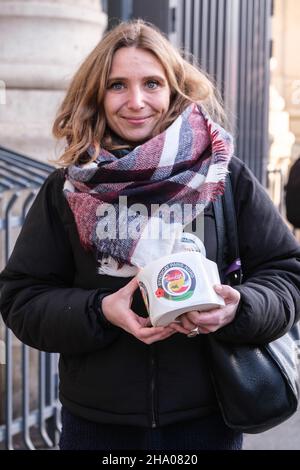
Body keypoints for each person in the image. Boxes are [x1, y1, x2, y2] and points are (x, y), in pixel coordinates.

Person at [0, 20, 300, 451]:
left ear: (174, 91)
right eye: (117, 85)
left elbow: (287, 275)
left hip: (205, 423)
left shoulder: (221, 175)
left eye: (152, 83)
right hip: (97, 428)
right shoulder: (68, 189)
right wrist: (101, 310)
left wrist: (240, 308)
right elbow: (21, 299)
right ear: (96, 96)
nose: (136, 101)